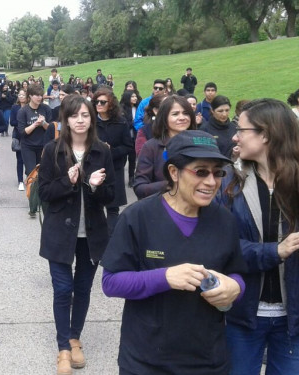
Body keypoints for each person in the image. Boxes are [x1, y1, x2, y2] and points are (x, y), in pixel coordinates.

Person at [218, 98, 299, 375]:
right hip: (242, 315)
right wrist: (274, 252)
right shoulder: (227, 181)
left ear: (265, 134)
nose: (235, 136)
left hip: (298, 318)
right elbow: (220, 249)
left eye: (241, 130)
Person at [101, 130, 247, 375]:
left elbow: (236, 273)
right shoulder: (138, 217)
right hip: (146, 361)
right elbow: (111, 282)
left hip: (207, 360)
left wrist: (236, 288)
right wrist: (165, 277)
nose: (211, 182)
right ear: (173, 172)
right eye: (201, 171)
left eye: (217, 173)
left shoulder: (224, 220)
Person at [38, 95, 115, 375]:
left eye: (85, 115)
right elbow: (44, 193)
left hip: (92, 234)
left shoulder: (102, 151)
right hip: (59, 232)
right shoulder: (51, 150)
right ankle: (63, 348)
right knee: (63, 289)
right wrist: (68, 182)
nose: (80, 120)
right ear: (65, 120)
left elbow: (112, 196)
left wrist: (94, 186)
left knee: (82, 289)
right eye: (74, 115)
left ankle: (74, 337)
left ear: (92, 118)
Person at [133, 96, 197, 200]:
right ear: (164, 117)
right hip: (161, 206)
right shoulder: (151, 147)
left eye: (186, 113)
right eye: (175, 114)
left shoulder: (198, 144)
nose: (182, 117)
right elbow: (140, 187)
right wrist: (170, 184)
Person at [93, 88, 132, 233]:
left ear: (111, 104)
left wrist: (111, 151)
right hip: (93, 168)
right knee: (93, 206)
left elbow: (128, 146)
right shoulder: (90, 122)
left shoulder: (121, 122)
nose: (99, 104)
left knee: (112, 208)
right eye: (96, 101)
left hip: (114, 169)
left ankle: (111, 243)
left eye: (103, 102)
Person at [17, 85, 52, 177]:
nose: (39, 97)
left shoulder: (46, 108)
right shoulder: (23, 111)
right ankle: (31, 190)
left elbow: (51, 129)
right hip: (28, 146)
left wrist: (43, 123)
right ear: (30, 96)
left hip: (43, 145)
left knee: (43, 173)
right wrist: (35, 124)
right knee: (31, 173)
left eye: (41, 95)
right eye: (37, 95)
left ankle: (41, 191)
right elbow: (22, 132)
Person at [119, 90, 139, 187]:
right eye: (132, 96)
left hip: (134, 138)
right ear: (127, 98)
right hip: (124, 138)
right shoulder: (122, 109)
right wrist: (134, 123)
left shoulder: (137, 107)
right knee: (122, 160)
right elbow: (124, 123)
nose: (135, 98)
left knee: (132, 159)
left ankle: (131, 178)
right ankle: (119, 178)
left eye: (135, 96)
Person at [10, 89, 27, 191]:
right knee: (20, 159)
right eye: (20, 95)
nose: (21, 97)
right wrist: (22, 123)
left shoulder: (30, 108)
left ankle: (28, 176)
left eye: (23, 95)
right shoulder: (14, 107)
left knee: (29, 159)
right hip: (18, 135)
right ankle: (20, 181)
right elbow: (12, 122)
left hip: (30, 135)